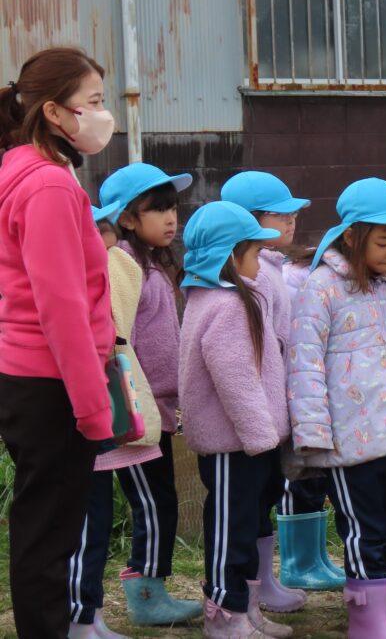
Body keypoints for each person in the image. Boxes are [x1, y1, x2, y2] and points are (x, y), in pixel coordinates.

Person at [0, 46, 116, 639]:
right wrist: (93, 406)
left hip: (35, 378)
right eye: (92, 101)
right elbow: (61, 306)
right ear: (53, 111)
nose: (102, 113)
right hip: (52, 383)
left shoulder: (29, 171)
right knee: (48, 535)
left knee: (44, 528)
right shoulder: (47, 185)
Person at [288, 177, 386, 638]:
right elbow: (304, 362)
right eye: (383, 242)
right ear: (352, 237)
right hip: (350, 440)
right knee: (363, 529)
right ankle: (365, 622)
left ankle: (383, 617)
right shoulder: (321, 287)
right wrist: (312, 433)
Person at [220, 170, 339, 610]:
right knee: (255, 499)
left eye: (293, 213)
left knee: (268, 492)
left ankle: (267, 579)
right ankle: (258, 583)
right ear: (247, 221)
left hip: (278, 404)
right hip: (258, 412)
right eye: (280, 214)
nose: (291, 220)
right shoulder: (256, 276)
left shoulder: (273, 268)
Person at [178, 201, 293, 637]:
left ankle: (245, 609)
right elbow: (236, 378)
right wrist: (261, 434)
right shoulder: (226, 305)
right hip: (234, 442)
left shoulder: (223, 298)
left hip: (247, 440)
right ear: (230, 255)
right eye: (254, 253)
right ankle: (225, 613)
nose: (260, 263)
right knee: (231, 529)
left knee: (245, 524)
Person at [99, 162, 203, 625]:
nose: (170, 218)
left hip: (157, 407)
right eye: (157, 209)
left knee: (160, 500)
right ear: (126, 218)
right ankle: (145, 594)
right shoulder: (122, 262)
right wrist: (128, 409)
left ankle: (152, 588)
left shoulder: (154, 263)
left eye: (173, 208)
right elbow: (118, 337)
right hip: (135, 411)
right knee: (151, 503)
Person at [68, 206, 164, 639]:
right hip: (79, 415)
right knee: (87, 523)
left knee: (97, 521)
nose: (105, 245)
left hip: (101, 411)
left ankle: (90, 615)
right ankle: (78, 618)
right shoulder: (91, 277)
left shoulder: (108, 272)